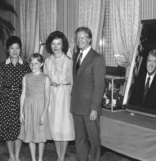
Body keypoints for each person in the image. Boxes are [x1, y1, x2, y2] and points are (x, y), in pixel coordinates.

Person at [71, 26, 106, 161]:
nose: (80, 40)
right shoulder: (75, 57)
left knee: (94, 140)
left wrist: (94, 108)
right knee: (79, 140)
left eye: (83, 37)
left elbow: (99, 85)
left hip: (90, 108)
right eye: (78, 38)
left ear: (90, 39)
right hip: (76, 106)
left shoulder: (97, 58)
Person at [0, 36, 31, 161]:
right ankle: (11, 155)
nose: (15, 51)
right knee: (8, 129)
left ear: (20, 49)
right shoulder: (3, 65)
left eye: (17, 48)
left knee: (19, 128)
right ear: (7, 50)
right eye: (12, 48)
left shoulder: (26, 65)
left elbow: (29, 84)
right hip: (6, 99)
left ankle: (17, 155)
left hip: (21, 99)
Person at [44, 31, 75, 161]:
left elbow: (73, 82)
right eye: (53, 43)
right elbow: (44, 80)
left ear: (63, 45)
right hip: (51, 95)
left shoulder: (69, 61)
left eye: (58, 44)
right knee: (55, 126)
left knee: (64, 126)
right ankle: (58, 155)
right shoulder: (46, 61)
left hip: (64, 95)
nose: (56, 46)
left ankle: (62, 157)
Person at [18, 53, 50, 161]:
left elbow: (47, 97)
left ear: (41, 64)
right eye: (31, 63)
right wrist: (21, 112)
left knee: (40, 137)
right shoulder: (26, 77)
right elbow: (23, 95)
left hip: (40, 108)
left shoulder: (45, 78)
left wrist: (44, 114)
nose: (33, 65)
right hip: (28, 108)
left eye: (36, 63)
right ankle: (33, 158)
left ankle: (40, 158)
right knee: (30, 135)